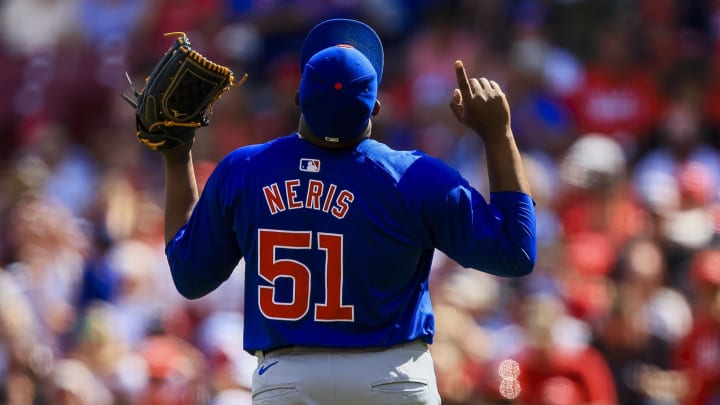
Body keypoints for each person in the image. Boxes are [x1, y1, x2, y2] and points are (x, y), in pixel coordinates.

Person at [157, 18, 536, 405]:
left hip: (287, 381)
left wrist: (176, 155)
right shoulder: (417, 177)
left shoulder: (243, 170)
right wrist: (498, 133)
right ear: (375, 107)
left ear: (298, 97)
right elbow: (516, 253)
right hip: (392, 378)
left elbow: (190, 276)